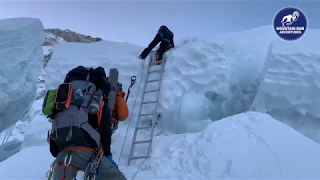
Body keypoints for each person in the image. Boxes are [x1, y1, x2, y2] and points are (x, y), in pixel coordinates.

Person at [46, 66, 127, 180]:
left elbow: (54, 146)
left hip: (62, 158)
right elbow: (105, 128)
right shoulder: (97, 100)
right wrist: (107, 154)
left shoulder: (63, 101)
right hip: (89, 156)